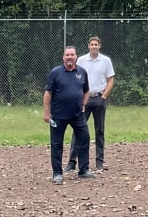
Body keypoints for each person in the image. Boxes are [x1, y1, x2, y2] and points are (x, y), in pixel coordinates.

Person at [43, 46, 93, 184]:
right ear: (63, 57)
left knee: (84, 139)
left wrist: (83, 105)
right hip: (58, 116)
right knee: (56, 144)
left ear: (76, 57)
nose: (69, 57)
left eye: (72, 55)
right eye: (67, 55)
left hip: (77, 115)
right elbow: (48, 93)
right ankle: (57, 173)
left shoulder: (82, 72)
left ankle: (83, 170)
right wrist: (46, 113)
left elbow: (86, 91)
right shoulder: (55, 73)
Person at [73, 36, 115, 173]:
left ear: (100, 46)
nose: (94, 46)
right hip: (84, 98)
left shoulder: (106, 61)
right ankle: (72, 162)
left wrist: (104, 96)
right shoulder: (81, 60)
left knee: (99, 130)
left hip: (98, 98)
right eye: (92, 44)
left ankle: (99, 162)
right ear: (88, 46)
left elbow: (110, 80)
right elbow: (75, 78)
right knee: (78, 129)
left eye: (96, 44)